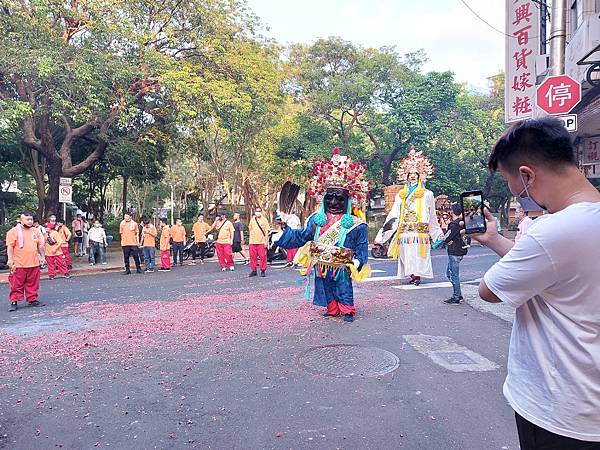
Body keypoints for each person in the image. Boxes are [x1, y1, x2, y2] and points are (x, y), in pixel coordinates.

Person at [474, 118, 600, 449]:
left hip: (559, 408)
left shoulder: (553, 231)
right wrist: (495, 240)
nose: (515, 193)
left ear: (527, 175)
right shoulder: (584, 220)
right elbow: (550, 271)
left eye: (509, 180)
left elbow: (488, 291)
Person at [277, 148, 371, 322]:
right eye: (330, 197)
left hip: (342, 264)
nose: (333, 202)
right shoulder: (315, 219)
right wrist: (284, 228)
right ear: (324, 197)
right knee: (325, 285)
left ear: (348, 200)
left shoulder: (357, 224)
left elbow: (361, 248)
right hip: (322, 263)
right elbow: (302, 237)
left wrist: (356, 261)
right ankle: (332, 307)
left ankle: (347, 309)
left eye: (339, 198)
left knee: (343, 284)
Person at [382, 147, 444, 286]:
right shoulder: (401, 194)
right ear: (406, 175)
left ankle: (417, 276)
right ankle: (412, 275)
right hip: (405, 231)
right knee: (407, 256)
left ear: (420, 175)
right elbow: (394, 214)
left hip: (419, 231)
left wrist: (437, 234)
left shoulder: (427, 194)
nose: (412, 176)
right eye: (410, 173)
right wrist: (384, 235)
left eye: (415, 173)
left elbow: (432, 216)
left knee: (418, 256)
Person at [6, 212, 45, 311]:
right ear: (21, 220)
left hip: (34, 263)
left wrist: (42, 257)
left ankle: (32, 299)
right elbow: (10, 247)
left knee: (33, 283)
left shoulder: (36, 231)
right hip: (19, 264)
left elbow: (40, 245)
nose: (30, 221)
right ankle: (14, 301)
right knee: (16, 284)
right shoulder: (13, 231)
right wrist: (10, 260)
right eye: (27, 219)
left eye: (31, 219)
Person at [442, 204, 467, 304]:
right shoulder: (463, 224)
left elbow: (446, 237)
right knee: (450, 274)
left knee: (453, 275)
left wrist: (447, 240)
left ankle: (456, 296)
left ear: (452, 212)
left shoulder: (454, 225)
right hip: (461, 250)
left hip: (454, 251)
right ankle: (458, 293)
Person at [248, 207, 270, 277]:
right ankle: (254, 270)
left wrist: (266, 242)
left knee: (262, 256)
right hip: (252, 241)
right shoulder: (252, 220)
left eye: (259, 211)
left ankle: (263, 270)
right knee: (252, 256)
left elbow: (266, 232)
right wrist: (249, 240)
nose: (258, 212)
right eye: (257, 211)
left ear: (261, 212)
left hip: (261, 241)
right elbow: (250, 230)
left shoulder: (264, 220)